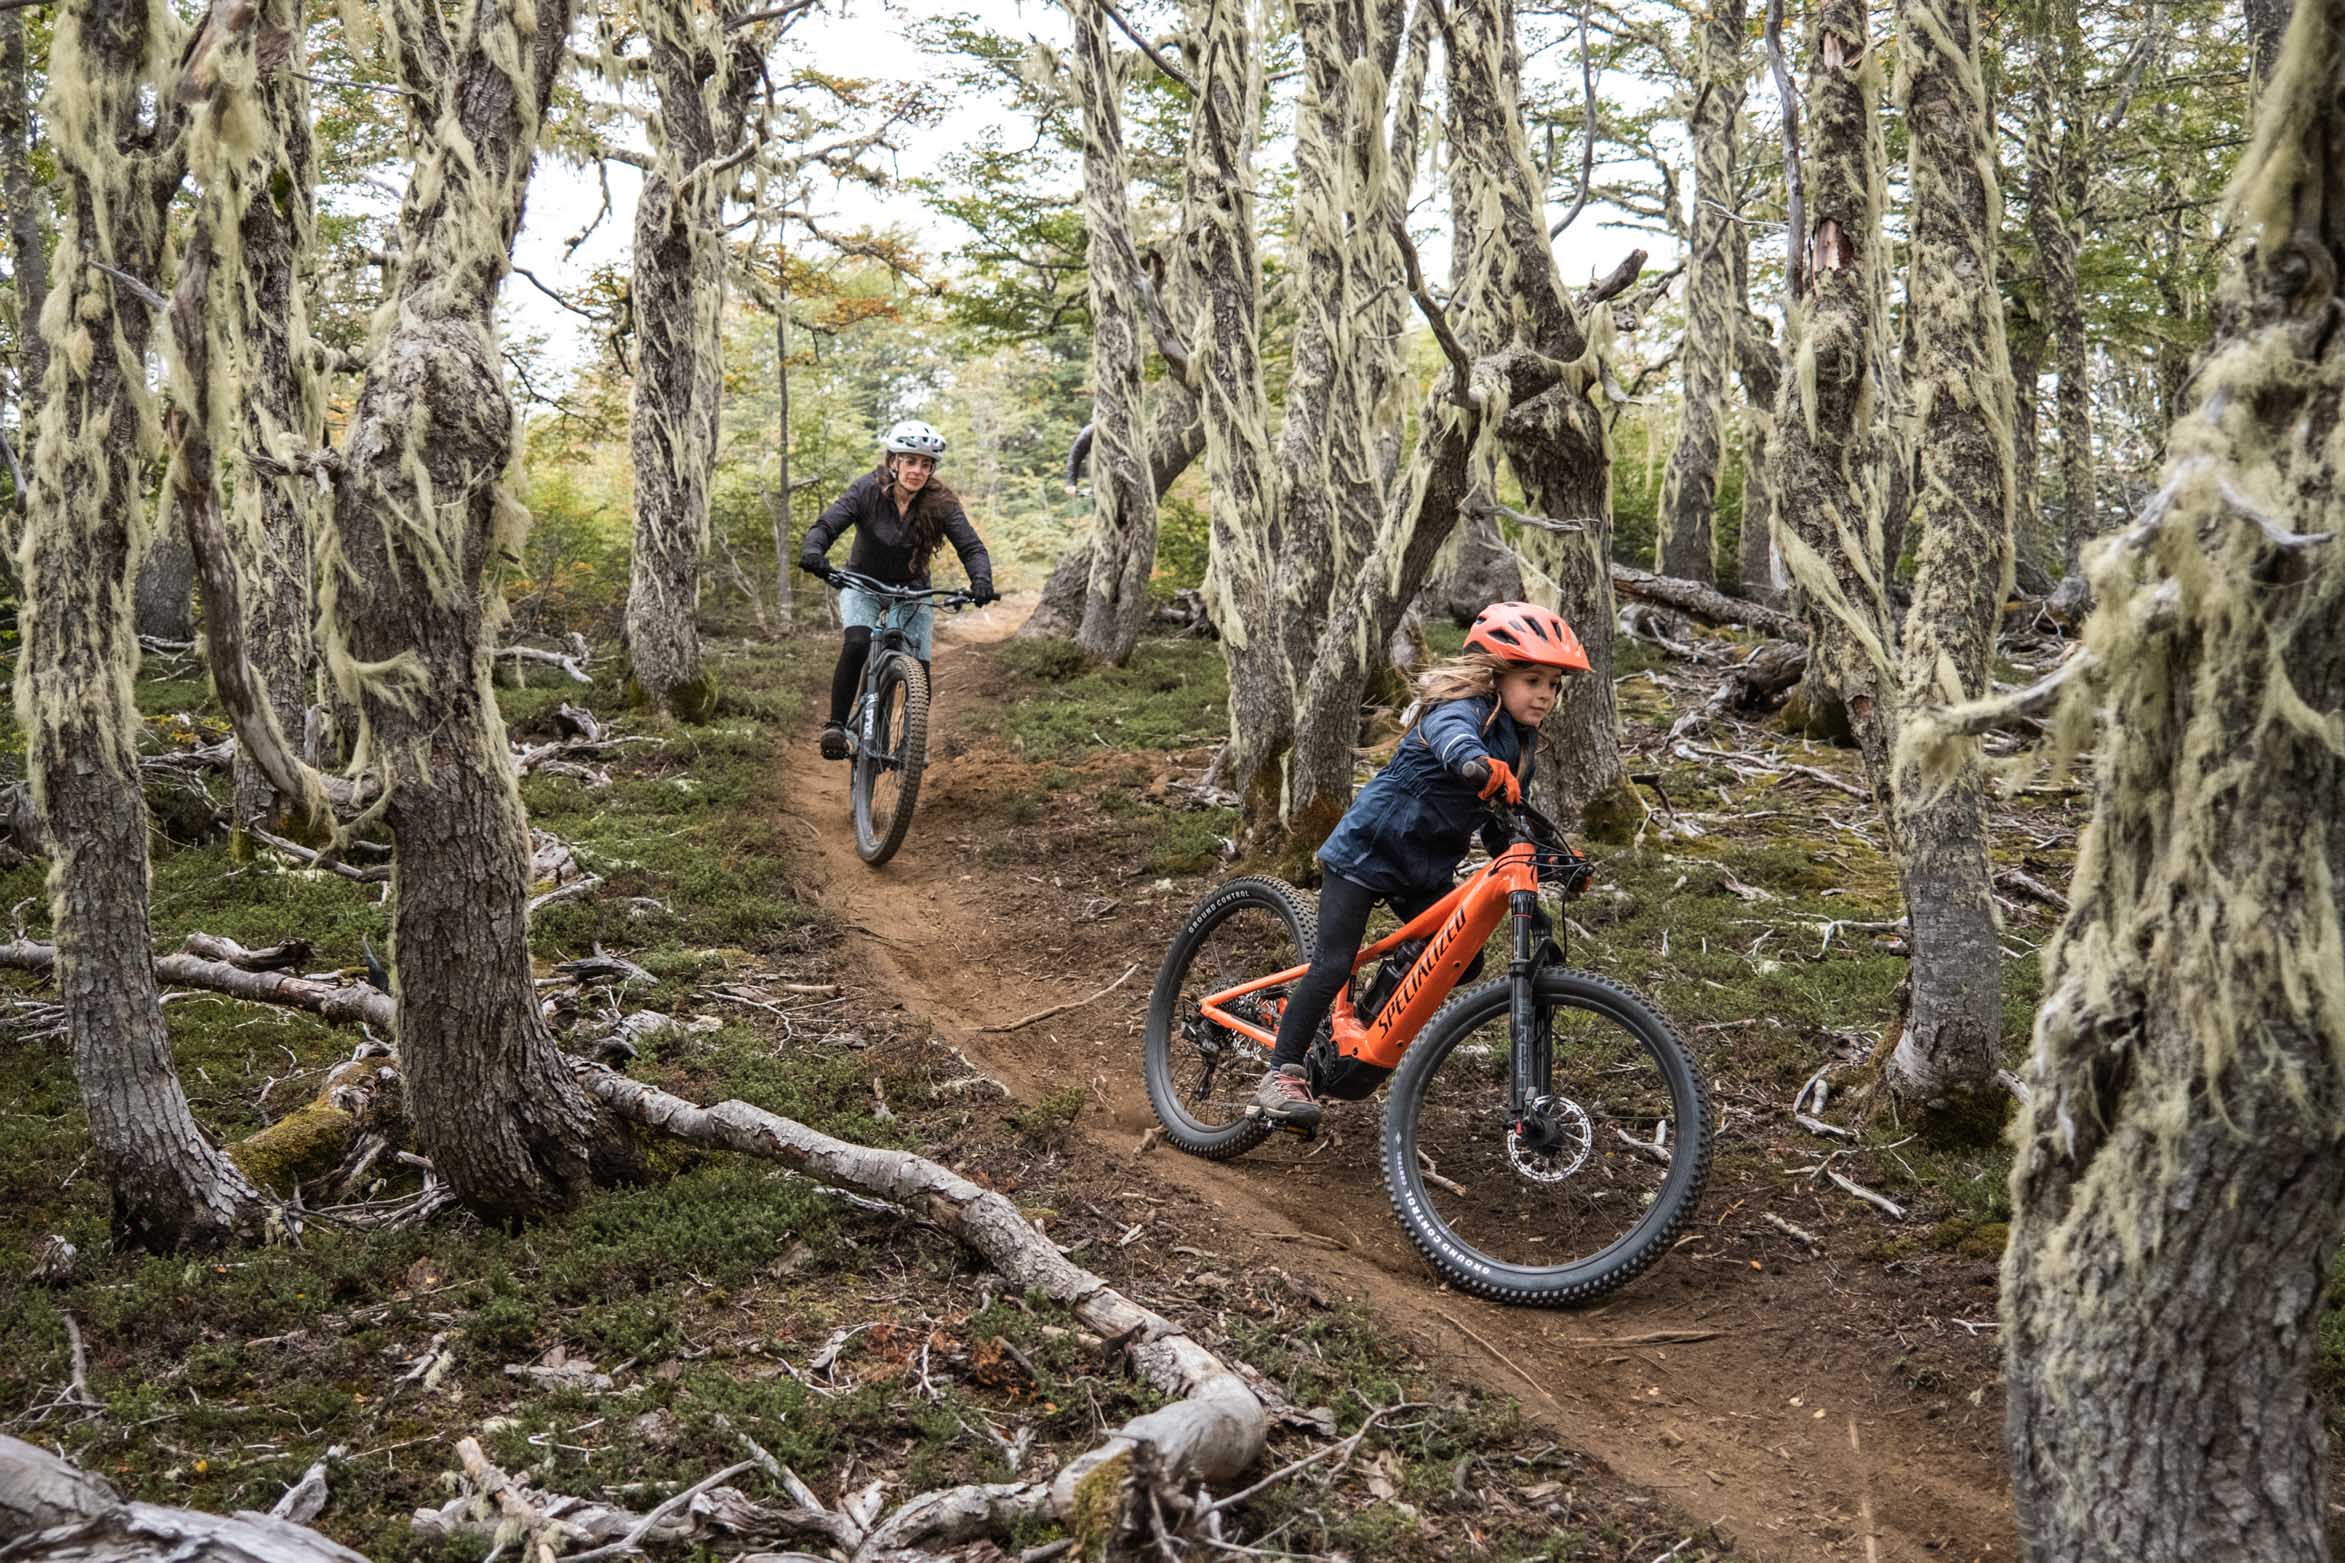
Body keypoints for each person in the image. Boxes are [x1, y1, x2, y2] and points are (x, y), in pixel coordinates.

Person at [1253, 601, 1591, 1130]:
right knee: (1333, 964)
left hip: (1423, 870)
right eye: (1532, 680)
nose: (1545, 694)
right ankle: (1281, 1073)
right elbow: (1452, 739)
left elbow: (1500, 829)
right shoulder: (1462, 710)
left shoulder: (1522, 747)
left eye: (1553, 684)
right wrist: (1474, 762)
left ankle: (1364, 1022)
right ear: (1496, 676)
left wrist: (1554, 861)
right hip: (1367, 852)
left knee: (1462, 959)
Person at [799, 420, 999, 760]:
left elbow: (971, 547)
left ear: (932, 469)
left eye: (926, 464)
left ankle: (911, 742)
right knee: (857, 642)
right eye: (910, 461)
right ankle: (836, 726)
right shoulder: (866, 490)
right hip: (862, 583)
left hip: (912, 591)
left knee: (919, 665)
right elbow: (827, 524)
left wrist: (981, 580)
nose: (917, 470)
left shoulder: (941, 502)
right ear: (893, 461)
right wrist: (814, 551)